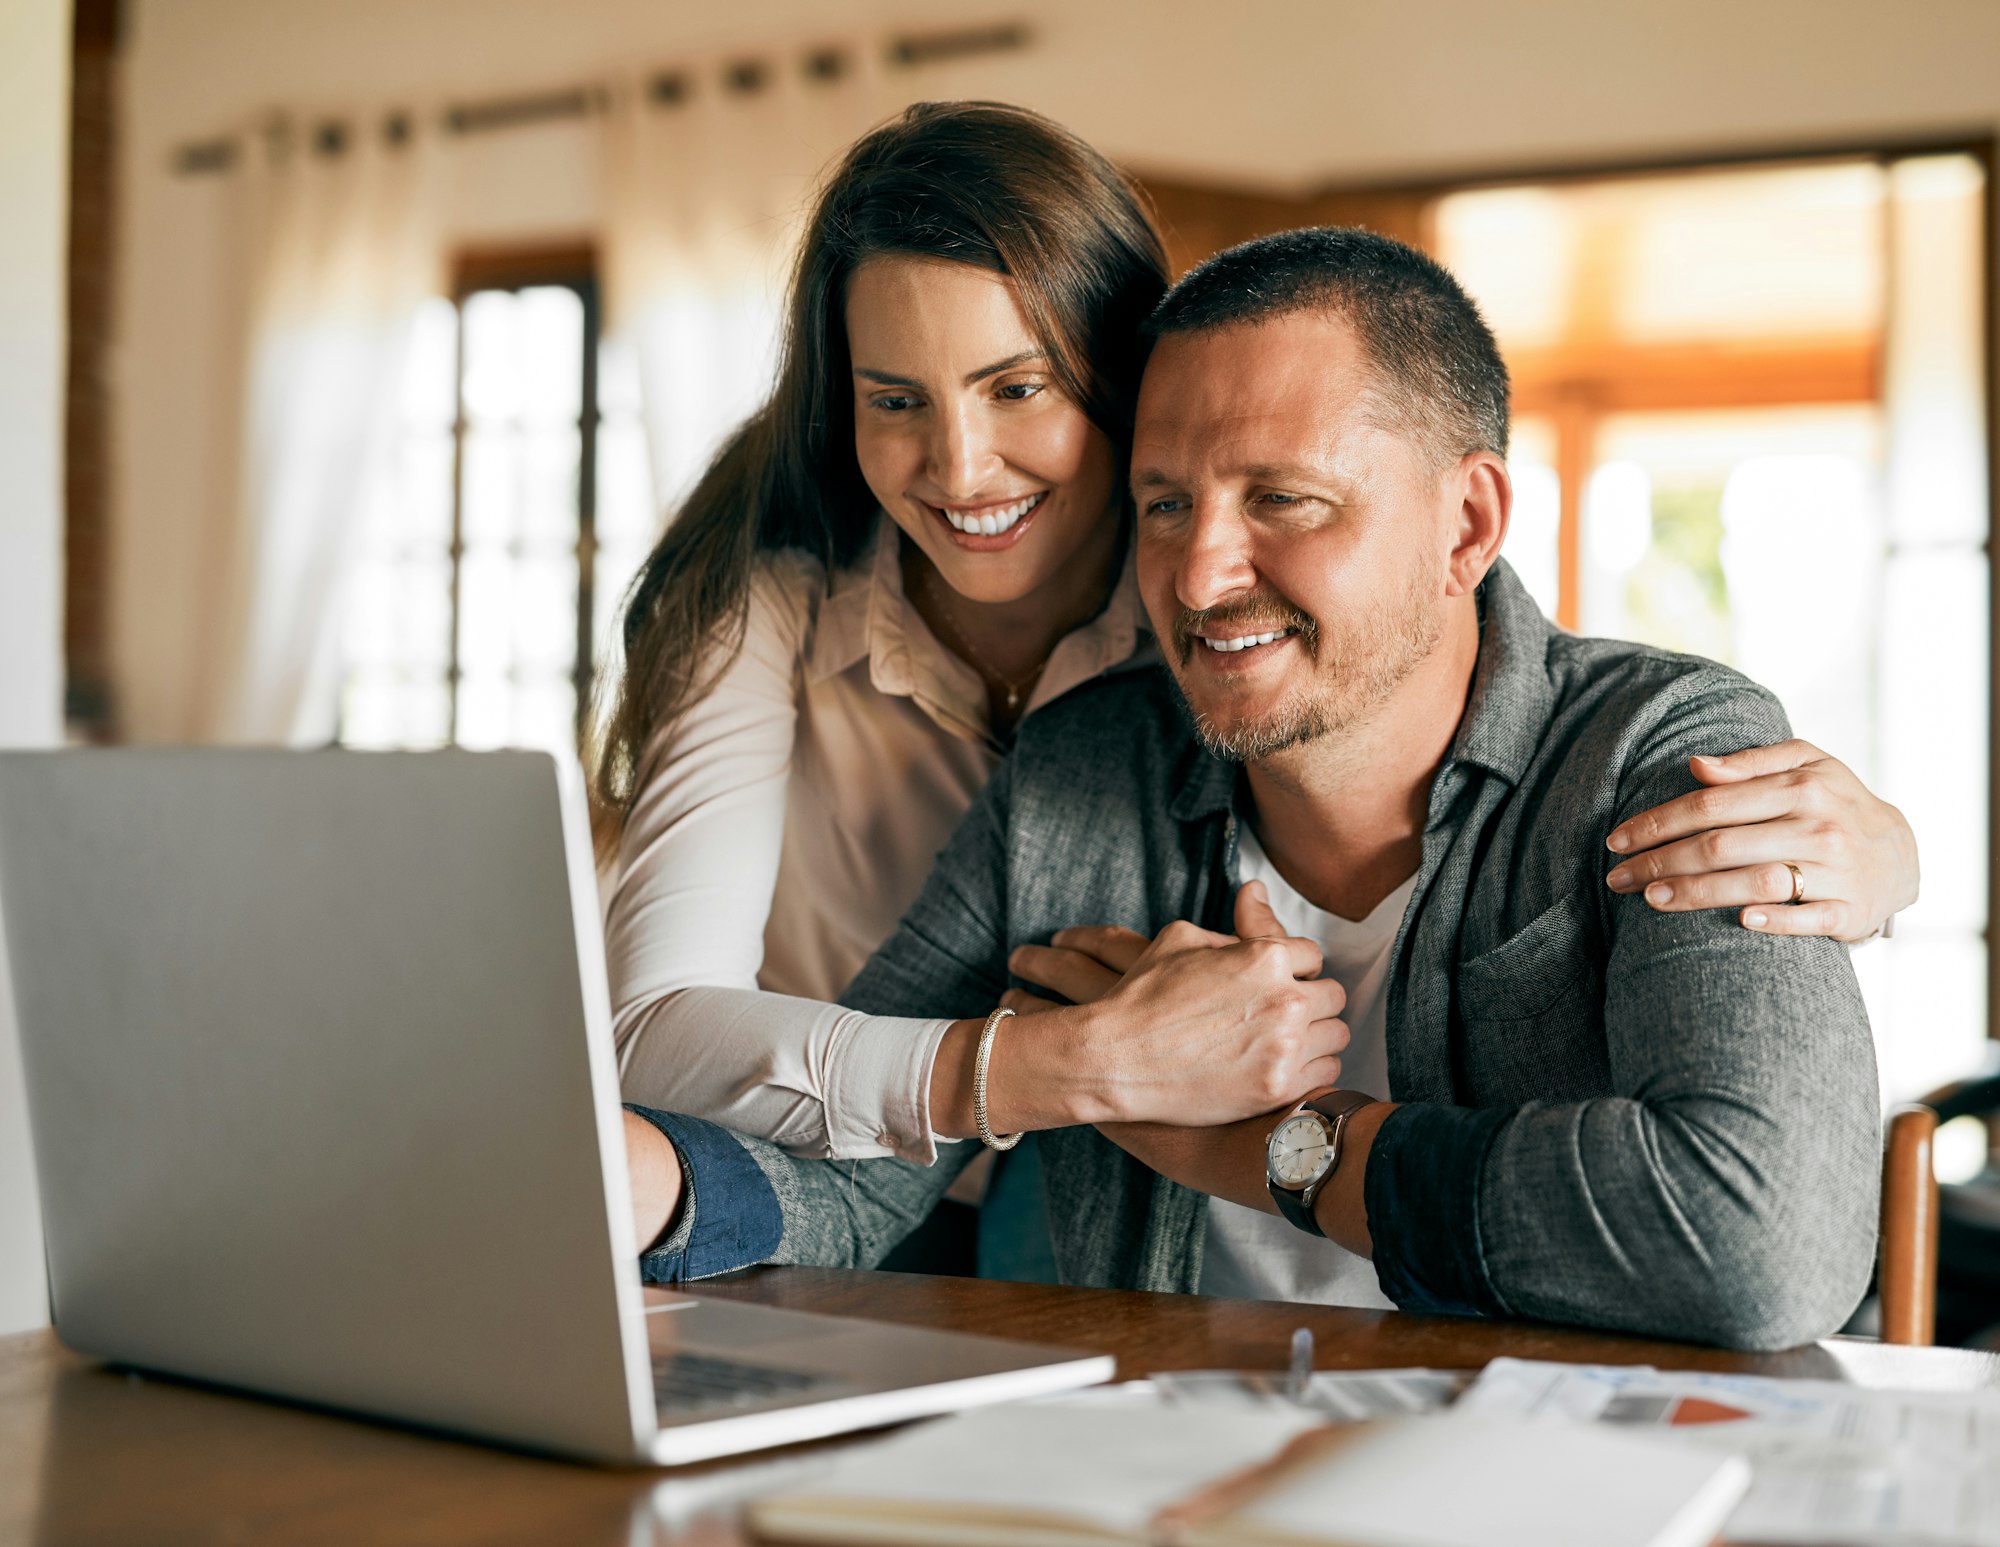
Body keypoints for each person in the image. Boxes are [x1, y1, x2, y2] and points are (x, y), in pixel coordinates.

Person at [598, 101, 1914, 1274]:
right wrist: (610, 1181)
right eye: (1165, 503)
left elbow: (1763, 1241)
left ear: (1467, 525)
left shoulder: (1662, 761)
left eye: (1282, 499)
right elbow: (846, 1182)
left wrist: (1280, 1149)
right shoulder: (1079, 766)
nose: (1200, 569)